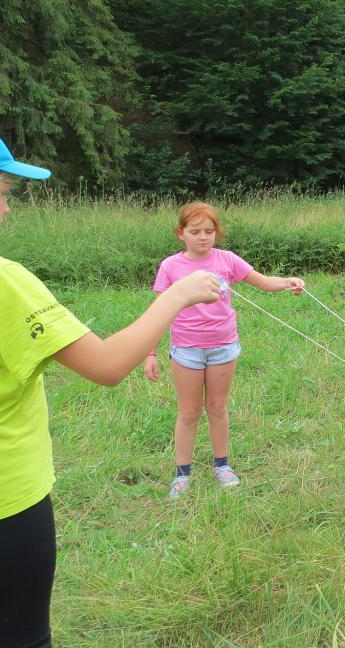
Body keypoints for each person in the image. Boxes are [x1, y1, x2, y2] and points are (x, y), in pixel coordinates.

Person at [0, 139, 222, 648]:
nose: (8, 208)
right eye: (3, 191)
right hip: (8, 503)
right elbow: (104, 366)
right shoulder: (6, 282)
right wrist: (179, 295)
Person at [144, 202, 305, 498]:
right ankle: (182, 474)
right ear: (180, 234)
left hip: (223, 348)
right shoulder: (171, 266)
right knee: (189, 412)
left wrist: (288, 282)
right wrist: (150, 353)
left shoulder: (227, 260)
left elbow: (264, 282)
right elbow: (158, 311)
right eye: (195, 232)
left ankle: (222, 465)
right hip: (187, 349)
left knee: (217, 408)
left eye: (209, 231)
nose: (203, 237)